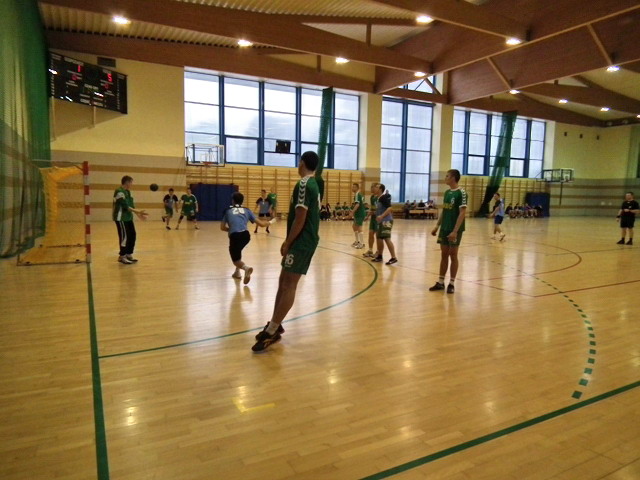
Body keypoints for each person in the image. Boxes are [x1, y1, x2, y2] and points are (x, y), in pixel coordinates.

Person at [252, 151, 321, 352]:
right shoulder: (313, 184)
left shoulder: (304, 184)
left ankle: (273, 329)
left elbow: (300, 217)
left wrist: (288, 241)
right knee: (283, 282)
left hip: (302, 241)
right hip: (303, 240)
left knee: (289, 284)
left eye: (298, 162)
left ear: (302, 163)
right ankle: (275, 323)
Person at [429, 169, 467, 294]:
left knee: (453, 254)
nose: (445, 178)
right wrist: (437, 226)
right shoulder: (446, 192)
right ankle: (441, 282)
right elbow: (444, 211)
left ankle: (451, 283)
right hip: (444, 228)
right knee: (444, 254)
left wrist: (455, 231)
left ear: (453, 178)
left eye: (447, 176)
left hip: (454, 229)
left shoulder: (462, 193)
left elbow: (462, 213)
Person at [221, 192, 271, 284]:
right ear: (242, 201)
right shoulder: (247, 210)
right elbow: (261, 224)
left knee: (236, 260)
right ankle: (237, 272)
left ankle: (246, 268)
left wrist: (231, 230)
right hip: (246, 236)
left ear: (233, 201)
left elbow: (222, 227)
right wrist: (270, 223)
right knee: (238, 250)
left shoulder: (227, 211)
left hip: (235, 236)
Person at [113, 175, 148, 264]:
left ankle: (128, 254)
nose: (132, 184)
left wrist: (138, 214)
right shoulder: (119, 191)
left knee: (132, 235)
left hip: (128, 217)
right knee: (124, 237)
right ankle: (122, 256)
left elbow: (131, 205)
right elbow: (125, 206)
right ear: (127, 182)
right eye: (131, 182)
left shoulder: (128, 192)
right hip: (121, 218)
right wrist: (138, 211)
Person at [372, 183, 398, 265]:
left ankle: (394, 257)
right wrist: (372, 213)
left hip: (386, 221)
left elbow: (390, 208)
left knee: (387, 238)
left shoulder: (383, 197)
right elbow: (380, 210)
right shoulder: (378, 198)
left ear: (380, 189)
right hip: (381, 221)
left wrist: (382, 216)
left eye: (376, 187)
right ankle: (380, 256)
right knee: (379, 238)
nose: (374, 188)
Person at [363, 183, 379, 258]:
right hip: (373, 218)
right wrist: (367, 216)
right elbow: (372, 209)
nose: (371, 189)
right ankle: (370, 250)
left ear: (377, 188)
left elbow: (380, 209)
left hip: (378, 218)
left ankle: (378, 251)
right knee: (370, 234)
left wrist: (374, 212)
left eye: (373, 187)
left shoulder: (379, 197)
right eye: (371, 187)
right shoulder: (372, 197)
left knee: (378, 236)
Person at [350, 183, 366, 248]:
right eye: (352, 187)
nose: (352, 188)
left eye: (354, 187)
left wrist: (352, 212)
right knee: (354, 226)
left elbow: (357, 205)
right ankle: (357, 241)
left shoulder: (357, 194)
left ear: (357, 188)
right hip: (358, 214)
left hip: (360, 214)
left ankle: (362, 244)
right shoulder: (359, 195)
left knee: (359, 228)